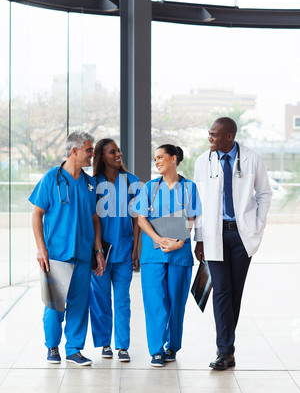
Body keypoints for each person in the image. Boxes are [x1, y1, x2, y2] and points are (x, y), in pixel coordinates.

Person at [194, 117, 272, 370]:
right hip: (215, 235)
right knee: (222, 292)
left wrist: (257, 225)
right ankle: (225, 350)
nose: (210, 138)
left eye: (214, 135)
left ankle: (226, 347)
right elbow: (199, 202)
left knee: (234, 293)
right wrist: (200, 238)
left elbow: (264, 194)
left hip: (241, 236)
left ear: (229, 136)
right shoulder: (202, 161)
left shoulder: (252, 159)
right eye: (209, 134)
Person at [29, 131, 105, 366]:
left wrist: (99, 251)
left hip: (83, 253)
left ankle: (74, 349)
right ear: (75, 151)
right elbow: (36, 215)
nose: (93, 155)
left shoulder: (89, 183)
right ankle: (52, 347)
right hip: (56, 254)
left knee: (79, 305)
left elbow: (94, 218)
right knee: (54, 305)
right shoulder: (51, 178)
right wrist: (41, 249)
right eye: (89, 150)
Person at [131, 144, 201, 367]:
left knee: (176, 302)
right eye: (155, 159)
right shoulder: (150, 187)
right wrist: (158, 239)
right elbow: (141, 218)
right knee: (155, 303)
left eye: (161, 157)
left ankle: (172, 346)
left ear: (173, 159)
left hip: (180, 255)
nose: (157, 162)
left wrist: (180, 242)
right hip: (153, 255)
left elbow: (192, 218)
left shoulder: (190, 187)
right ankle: (156, 350)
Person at [89, 138, 141, 362]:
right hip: (99, 253)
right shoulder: (92, 183)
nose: (118, 154)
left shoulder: (132, 181)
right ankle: (104, 344)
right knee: (100, 300)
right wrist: (96, 249)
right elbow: (91, 219)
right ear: (102, 156)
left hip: (124, 250)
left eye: (118, 150)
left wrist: (135, 249)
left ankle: (122, 345)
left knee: (122, 300)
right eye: (112, 152)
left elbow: (138, 218)